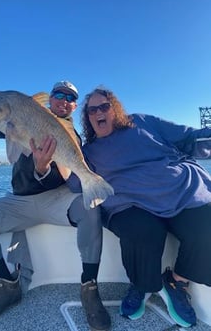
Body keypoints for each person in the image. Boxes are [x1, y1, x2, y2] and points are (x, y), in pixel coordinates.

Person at [0, 65, 111, 331]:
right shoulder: (21, 113)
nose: (64, 101)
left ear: (75, 107)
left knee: (90, 209)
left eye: (70, 98)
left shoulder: (70, 134)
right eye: (59, 95)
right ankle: (8, 286)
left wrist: (43, 169)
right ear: (50, 98)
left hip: (57, 199)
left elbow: (63, 175)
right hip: (20, 201)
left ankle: (89, 287)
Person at [66, 86, 211, 328]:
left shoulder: (143, 122)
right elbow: (74, 182)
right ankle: (141, 285)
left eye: (104, 106)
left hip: (181, 190)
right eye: (92, 110)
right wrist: (48, 161)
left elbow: (188, 138)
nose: (98, 112)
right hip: (130, 202)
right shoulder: (88, 152)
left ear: (115, 109)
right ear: (88, 118)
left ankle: (177, 281)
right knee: (141, 233)